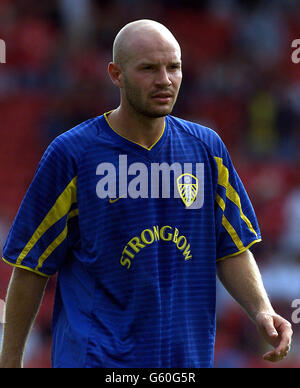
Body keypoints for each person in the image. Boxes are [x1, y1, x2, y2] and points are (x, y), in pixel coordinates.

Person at [0, 19, 292, 368]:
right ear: (116, 74)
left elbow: (230, 248)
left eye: (174, 67)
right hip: (96, 361)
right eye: (149, 68)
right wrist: (10, 360)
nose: (165, 80)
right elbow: (31, 267)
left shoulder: (206, 148)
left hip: (184, 364)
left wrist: (261, 310)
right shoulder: (72, 154)